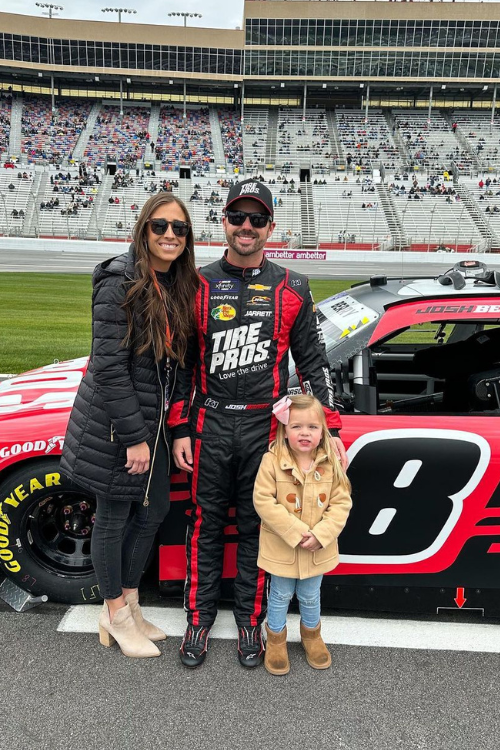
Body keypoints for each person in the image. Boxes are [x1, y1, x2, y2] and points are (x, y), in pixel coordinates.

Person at [171, 178, 347, 669]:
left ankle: (252, 622)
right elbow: (183, 366)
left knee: (257, 529)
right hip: (208, 424)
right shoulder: (198, 284)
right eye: (238, 217)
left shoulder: (293, 287)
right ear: (224, 222)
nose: (246, 227)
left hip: (265, 431)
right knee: (204, 526)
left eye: (257, 219)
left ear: (271, 227)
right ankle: (198, 620)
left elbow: (313, 364)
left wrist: (330, 431)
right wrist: (180, 428)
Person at [60, 193, 199, 658]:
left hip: (154, 426)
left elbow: (178, 368)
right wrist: (135, 437)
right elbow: (109, 366)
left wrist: (177, 428)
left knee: (154, 509)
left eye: (179, 229)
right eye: (160, 226)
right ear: (144, 228)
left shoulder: (179, 285)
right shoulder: (119, 279)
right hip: (117, 428)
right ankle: (115, 613)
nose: (169, 236)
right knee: (115, 517)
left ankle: (130, 605)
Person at [253, 394, 352, 675]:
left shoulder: (330, 463)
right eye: (296, 427)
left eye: (312, 427)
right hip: (281, 547)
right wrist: (296, 532)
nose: (305, 433)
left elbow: (341, 502)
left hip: (317, 549)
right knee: (280, 595)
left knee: (310, 595)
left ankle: (312, 636)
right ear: (285, 430)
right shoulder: (272, 461)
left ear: (323, 431)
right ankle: (275, 638)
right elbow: (263, 500)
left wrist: (322, 534)